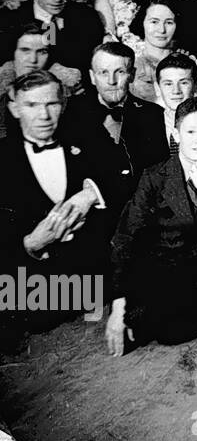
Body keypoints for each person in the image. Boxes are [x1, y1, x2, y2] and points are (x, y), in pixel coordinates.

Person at [106, 96, 197, 353]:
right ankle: (184, 315)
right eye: (191, 131)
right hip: (169, 275)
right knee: (170, 335)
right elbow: (126, 239)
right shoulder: (154, 177)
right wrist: (118, 306)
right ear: (176, 134)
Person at [0, 71, 120, 345]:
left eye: (51, 104)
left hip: (94, 283)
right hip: (31, 290)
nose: (43, 115)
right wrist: (30, 244)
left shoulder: (88, 139)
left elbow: (126, 177)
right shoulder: (3, 158)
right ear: (15, 109)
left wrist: (90, 194)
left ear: (63, 105)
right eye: (32, 105)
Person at [62, 42, 169, 179]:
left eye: (120, 72)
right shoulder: (72, 112)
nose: (111, 81)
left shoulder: (154, 115)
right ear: (92, 77)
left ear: (131, 75)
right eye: (103, 72)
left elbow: (158, 173)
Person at [126, 0, 197, 104]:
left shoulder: (194, 65)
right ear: (142, 22)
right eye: (154, 21)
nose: (161, 30)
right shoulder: (131, 67)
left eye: (169, 22)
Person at [0, 24, 83, 137]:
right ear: (13, 52)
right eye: (25, 50)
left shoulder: (65, 86)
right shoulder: (3, 82)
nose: (33, 60)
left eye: (41, 52)